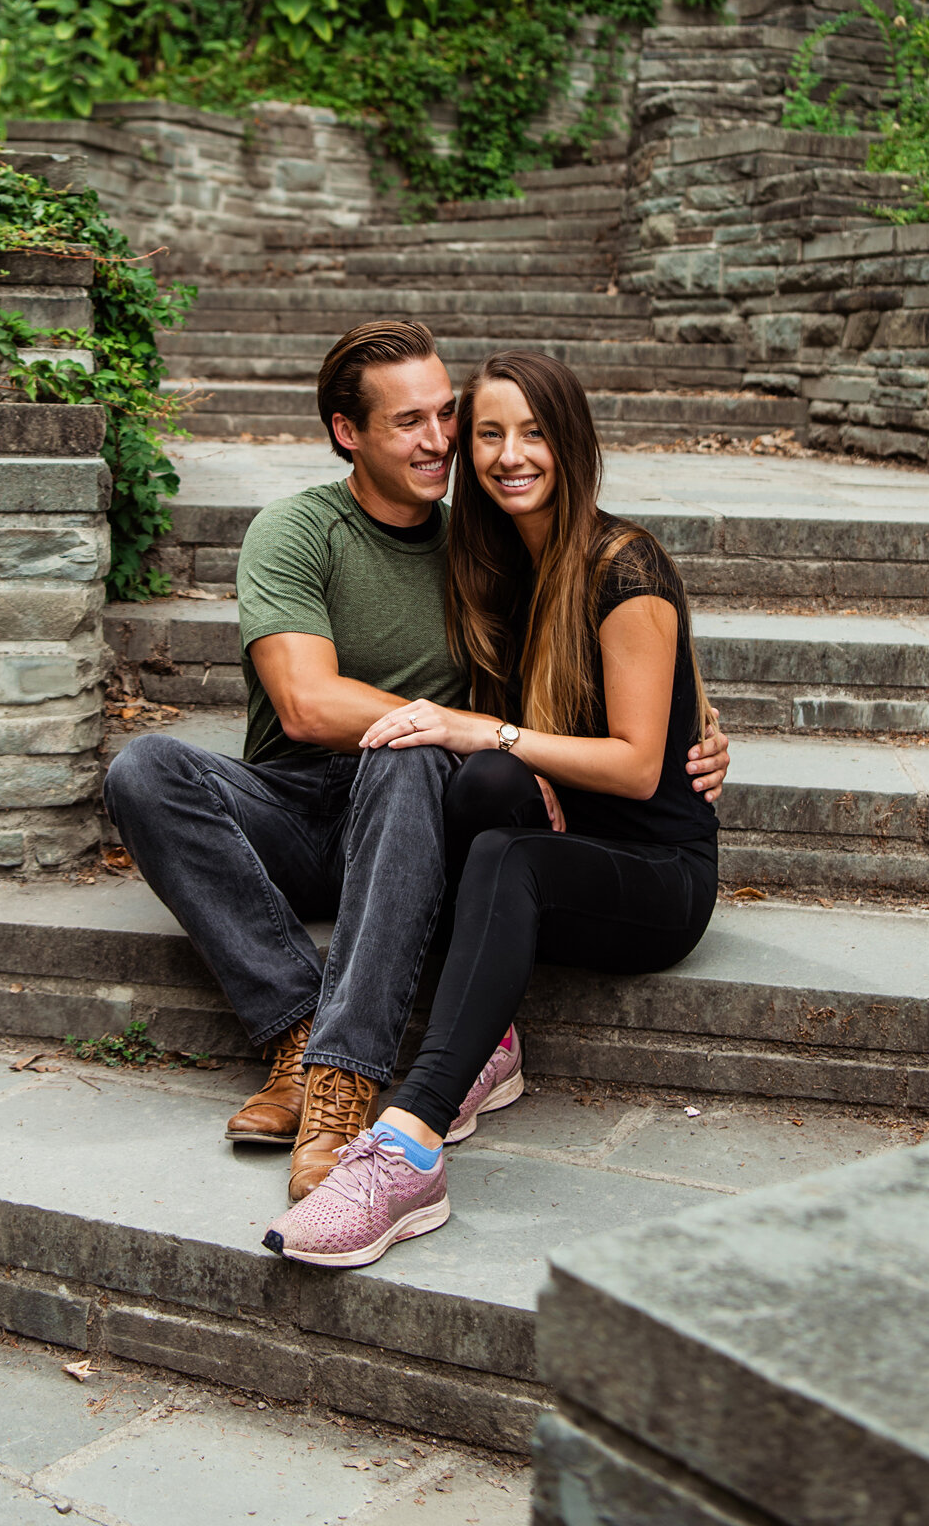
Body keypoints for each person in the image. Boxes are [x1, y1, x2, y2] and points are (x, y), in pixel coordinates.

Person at [104, 322, 730, 1203]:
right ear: (346, 432)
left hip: (413, 813)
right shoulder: (296, 531)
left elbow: (602, 635)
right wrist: (468, 723)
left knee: (407, 753)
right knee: (145, 770)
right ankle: (295, 1024)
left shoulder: (481, 544)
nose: (438, 441)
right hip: (296, 806)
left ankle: (340, 1083)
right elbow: (307, 705)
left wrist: (688, 725)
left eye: (447, 415)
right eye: (409, 422)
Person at [263, 348, 722, 1267]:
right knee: (475, 787)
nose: (511, 455)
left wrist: (492, 731)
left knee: (495, 811)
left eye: (535, 433)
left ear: (572, 442)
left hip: (651, 881)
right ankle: (492, 1043)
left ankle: (407, 1145)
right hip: (555, 844)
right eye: (489, 435)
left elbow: (637, 770)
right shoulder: (494, 573)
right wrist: (486, 745)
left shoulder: (623, 568)